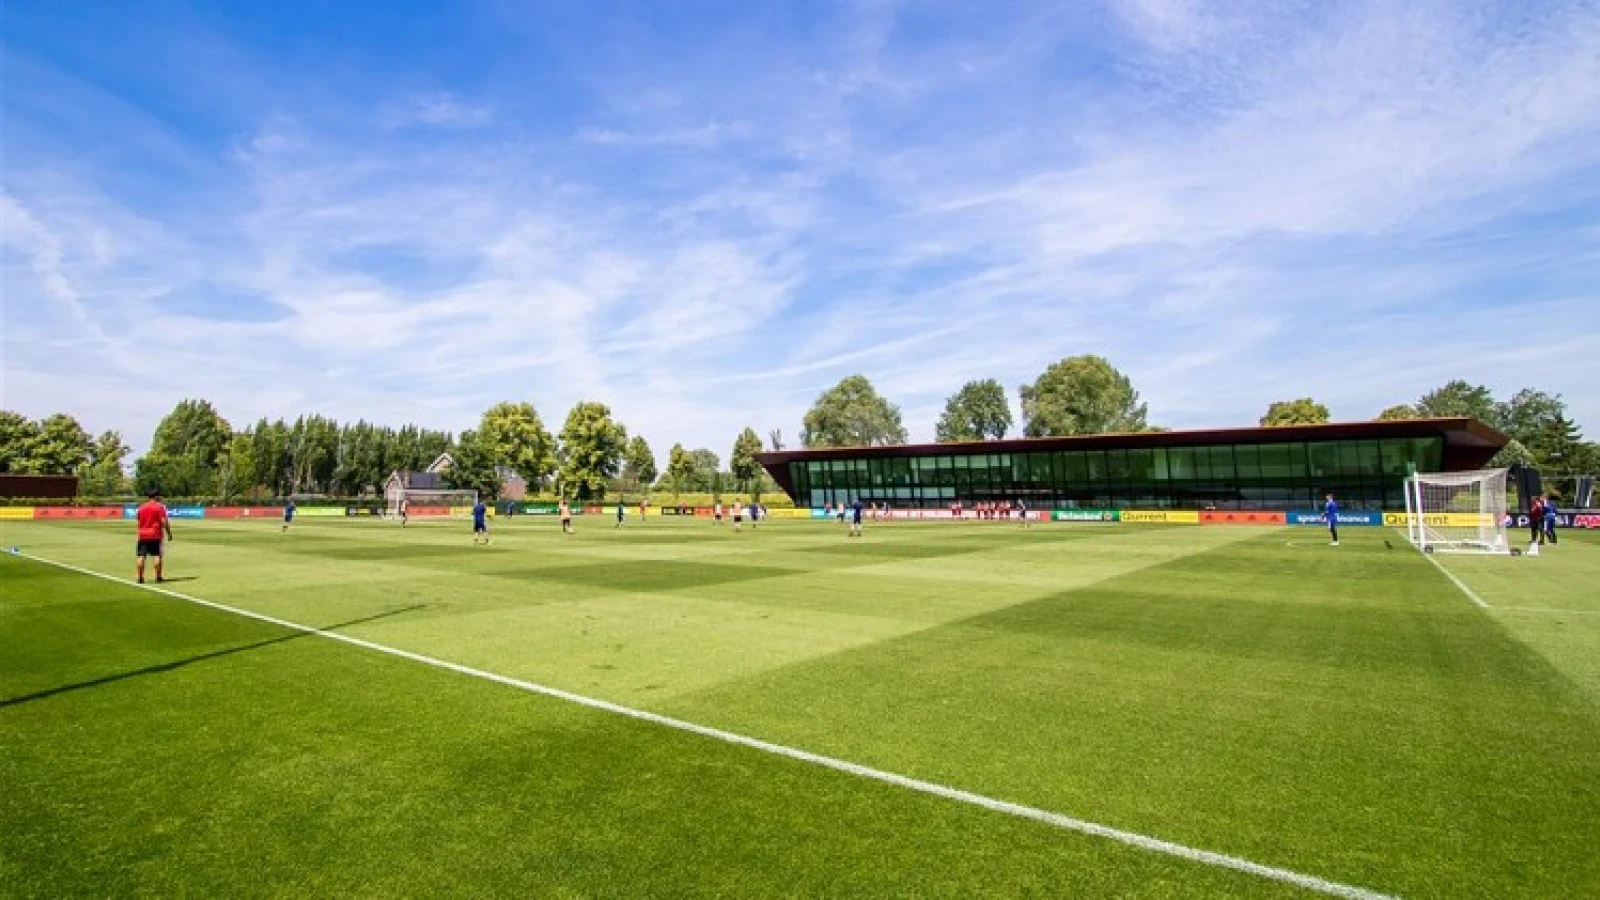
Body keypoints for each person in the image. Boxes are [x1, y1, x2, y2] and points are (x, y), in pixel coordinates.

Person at [135, 490, 173, 584]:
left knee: (141, 556)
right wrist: (169, 533)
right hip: (155, 534)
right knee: (157, 555)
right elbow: (164, 521)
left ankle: (140, 577)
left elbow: (139, 520)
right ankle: (158, 576)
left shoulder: (141, 507)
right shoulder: (159, 507)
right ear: (156, 496)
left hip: (143, 534)